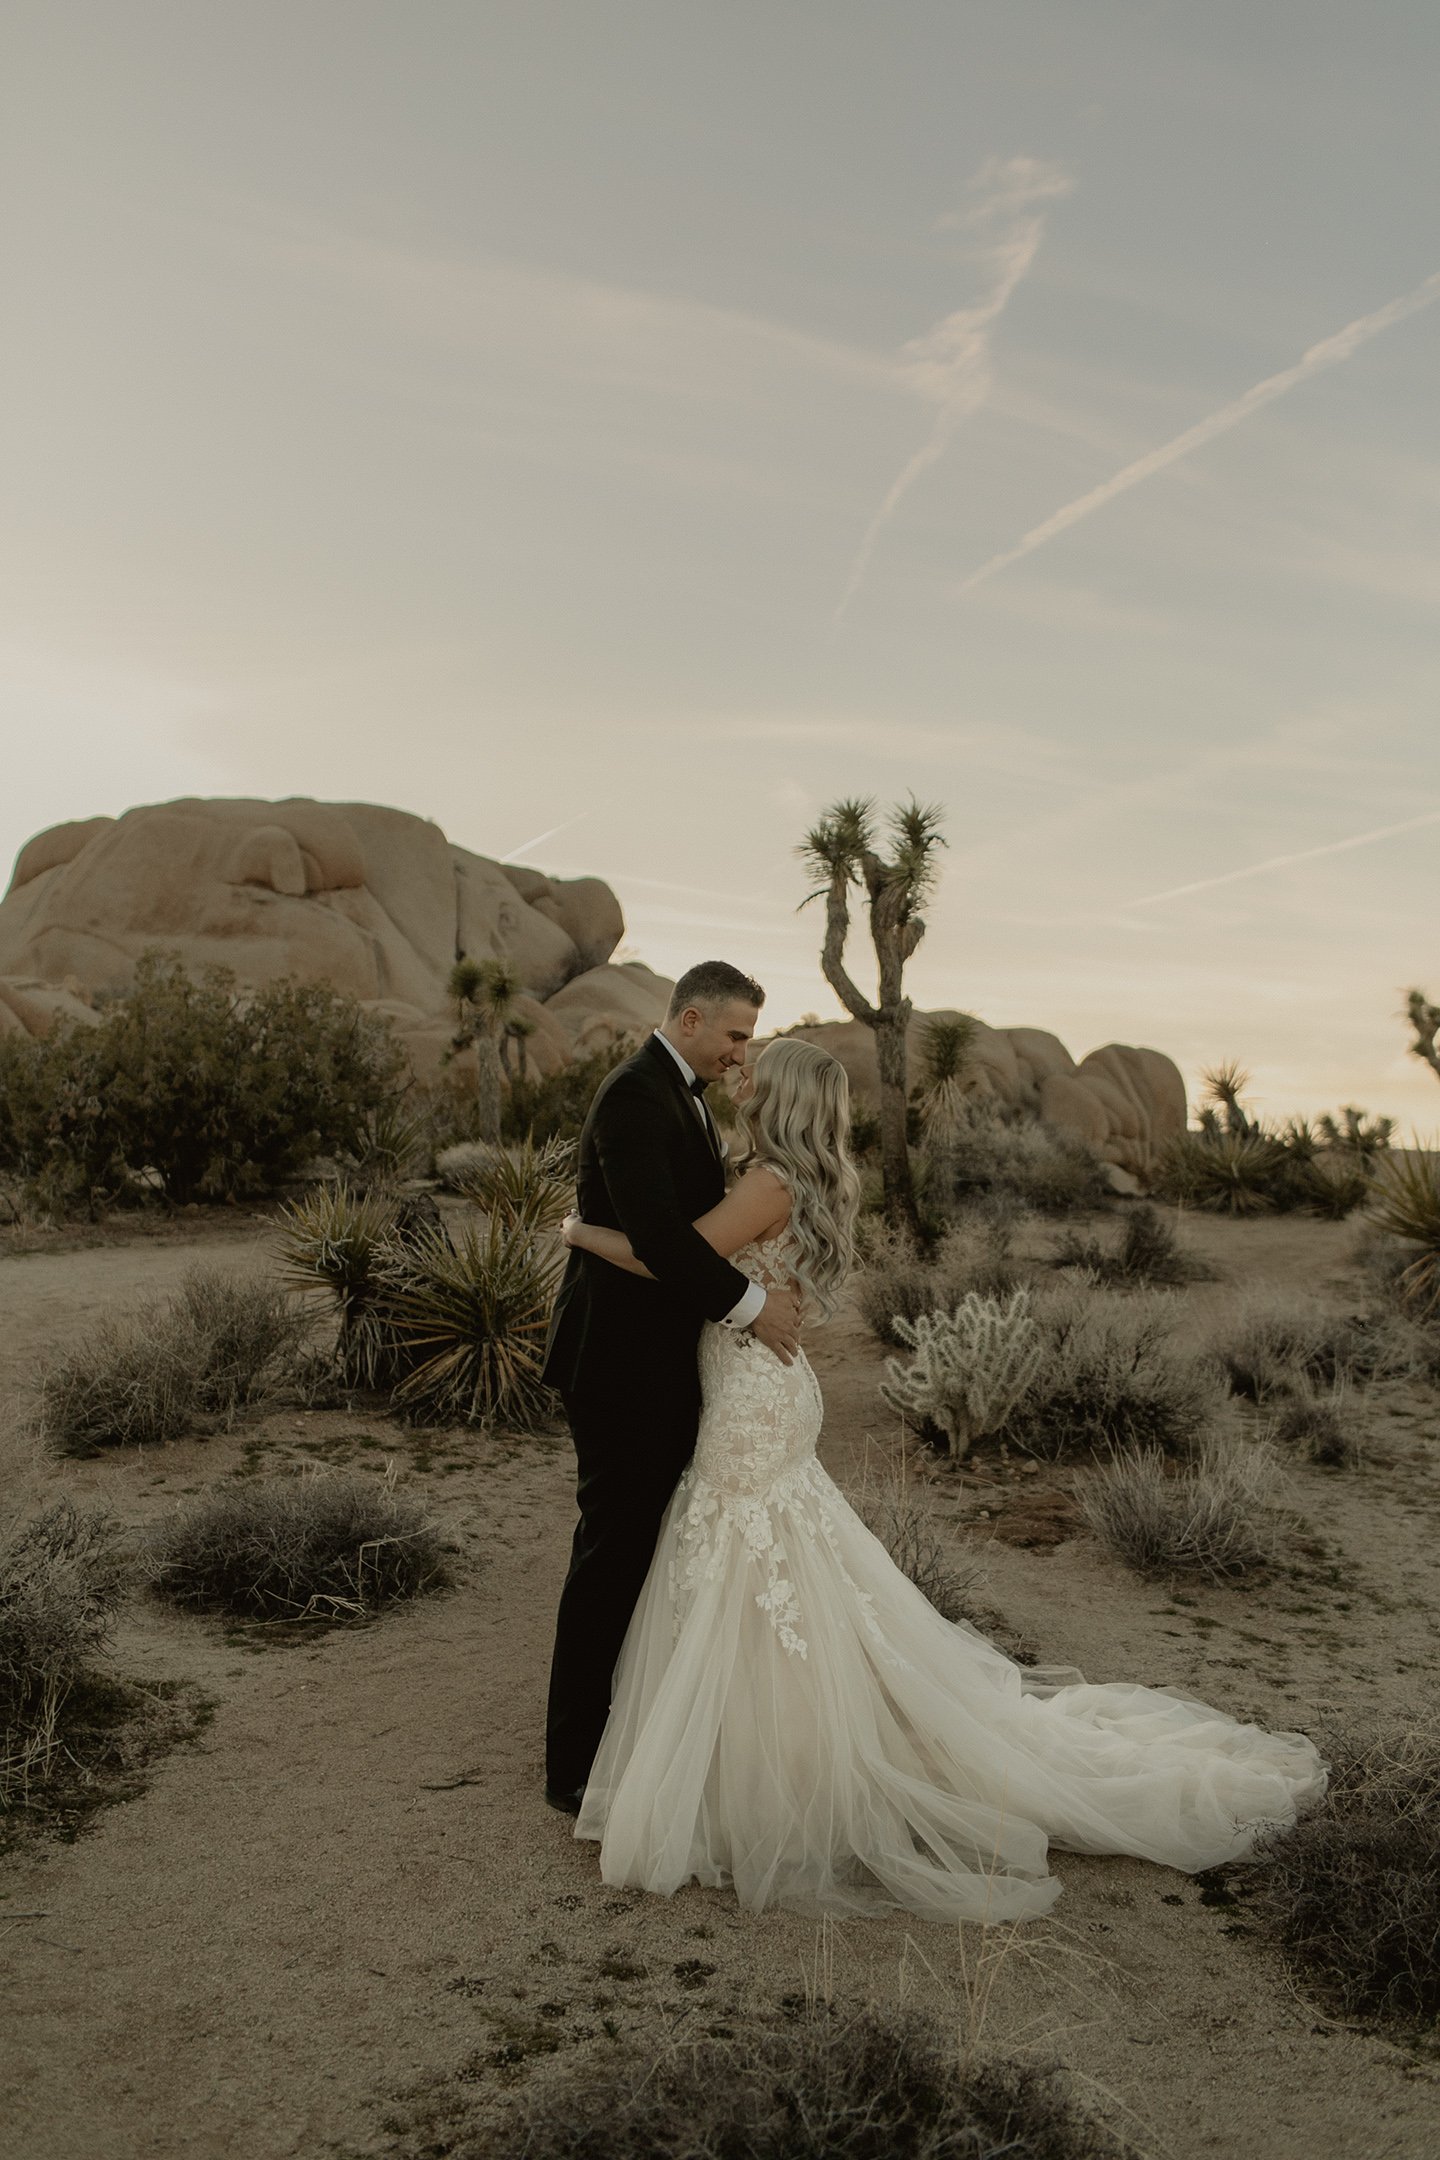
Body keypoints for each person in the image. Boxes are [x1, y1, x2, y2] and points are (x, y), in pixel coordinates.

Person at [558, 1035, 1328, 1922]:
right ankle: (766, 1743)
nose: (740, 1077)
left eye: (753, 1073)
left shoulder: (768, 1182)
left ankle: (776, 1766)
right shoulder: (790, 1174)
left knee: (742, 1552)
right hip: (768, 1383)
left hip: (750, 1393)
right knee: (779, 1563)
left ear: (784, 1101)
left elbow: (670, 1257)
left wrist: (579, 1231)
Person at [541, 960, 802, 1815]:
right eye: (733, 1036)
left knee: (641, 1549)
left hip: (661, 1363)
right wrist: (752, 1307)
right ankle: (572, 1767)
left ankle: (627, 1729)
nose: (740, 1054)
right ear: (689, 1019)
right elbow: (659, 1242)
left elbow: (688, 1234)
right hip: (615, 1364)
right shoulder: (633, 1097)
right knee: (611, 1553)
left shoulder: (681, 1095)